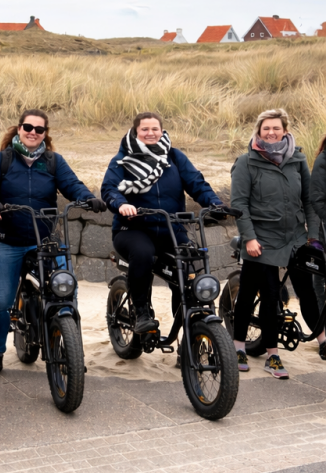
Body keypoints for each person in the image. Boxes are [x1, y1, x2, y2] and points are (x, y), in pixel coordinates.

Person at [0, 109, 105, 378]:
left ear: (45, 133)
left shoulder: (53, 161)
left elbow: (72, 185)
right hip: (8, 241)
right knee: (0, 302)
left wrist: (87, 198)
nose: (33, 132)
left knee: (66, 292)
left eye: (39, 129)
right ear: (19, 129)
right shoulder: (2, 160)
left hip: (45, 241)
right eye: (28, 127)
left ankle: (71, 350)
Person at [102, 112, 224, 336]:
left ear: (162, 131)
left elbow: (196, 183)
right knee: (143, 253)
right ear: (136, 131)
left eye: (154, 129)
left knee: (188, 268)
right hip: (133, 229)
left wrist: (215, 204)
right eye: (145, 129)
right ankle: (141, 312)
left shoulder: (174, 157)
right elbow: (109, 189)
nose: (150, 133)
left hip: (171, 229)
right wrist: (121, 204)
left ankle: (189, 329)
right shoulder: (122, 159)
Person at [230, 109, 325, 378]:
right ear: (258, 132)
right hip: (261, 240)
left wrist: (312, 236)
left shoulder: (297, 159)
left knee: (306, 290)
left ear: (285, 131)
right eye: (266, 128)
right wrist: (249, 238)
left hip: (295, 238)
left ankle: (322, 339)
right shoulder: (246, 162)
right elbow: (239, 204)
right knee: (262, 295)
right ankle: (250, 350)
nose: (271, 132)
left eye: (276, 128)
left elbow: (309, 201)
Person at [308, 134, 326, 313]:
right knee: (319, 277)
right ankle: (321, 320)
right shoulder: (323, 161)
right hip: (321, 229)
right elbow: (317, 199)